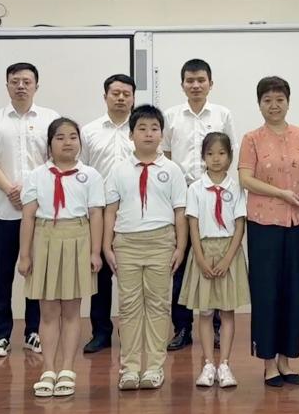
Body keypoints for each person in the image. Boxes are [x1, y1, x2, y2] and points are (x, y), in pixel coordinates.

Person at [0, 62, 58, 358]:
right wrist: (11, 189)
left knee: (37, 274)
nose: (21, 86)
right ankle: (0, 336)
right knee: (1, 276)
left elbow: (56, 159)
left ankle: (34, 332)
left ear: (36, 86)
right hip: (4, 211)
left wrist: (30, 190)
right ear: (7, 85)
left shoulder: (50, 119)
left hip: (40, 212)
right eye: (15, 81)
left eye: (26, 81)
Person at [102, 105, 188, 391]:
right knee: (128, 306)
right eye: (142, 128)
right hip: (126, 243)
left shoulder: (172, 170)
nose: (148, 134)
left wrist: (180, 246)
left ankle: (153, 367)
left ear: (162, 134)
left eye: (154, 128)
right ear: (131, 135)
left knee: (158, 305)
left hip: (161, 242)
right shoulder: (119, 169)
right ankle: (129, 368)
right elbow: (110, 210)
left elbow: (180, 212)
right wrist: (107, 246)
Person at [17, 118, 104, 398]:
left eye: (73, 137)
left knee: (71, 310)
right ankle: (48, 369)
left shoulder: (90, 175)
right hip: (45, 239)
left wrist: (95, 251)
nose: (67, 142)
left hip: (78, 238)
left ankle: (67, 368)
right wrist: (25, 255)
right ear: (50, 144)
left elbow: (96, 214)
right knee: (48, 311)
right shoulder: (36, 175)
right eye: (60, 137)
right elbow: (28, 216)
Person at [237, 76, 299, 387]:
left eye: (279, 99)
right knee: (266, 291)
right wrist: (281, 193)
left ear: (288, 102)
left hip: (297, 223)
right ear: (259, 104)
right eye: (267, 100)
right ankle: (268, 362)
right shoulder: (251, 139)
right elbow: (245, 179)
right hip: (263, 224)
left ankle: (286, 360)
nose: (274, 105)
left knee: (293, 291)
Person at [163, 59, 235, 352]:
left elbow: (229, 152)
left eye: (201, 80)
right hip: (181, 198)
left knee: (214, 259)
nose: (195, 85)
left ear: (210, 83)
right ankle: (182, 328)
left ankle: (216, 328)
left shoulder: (222, 114)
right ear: (182, 85)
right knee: (181, 264)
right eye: (190, 81)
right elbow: (166, 156)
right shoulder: (171, 116)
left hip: (214, 197)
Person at [181, 132, 250, 389]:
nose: (216, 158)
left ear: (230, 157)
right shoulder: (195, 188)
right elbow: (193, 225)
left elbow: (240, 225)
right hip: (204, 250)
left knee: (227, 310)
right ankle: (209, 363)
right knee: (206, 311)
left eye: (221, 153)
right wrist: (199, 258)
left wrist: (228, 259)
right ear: (203, 157)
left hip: (228, 251)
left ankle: (225, 364)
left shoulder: (236, 188)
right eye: (210, 154)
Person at [79, 74, 137, 354]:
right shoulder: (89, 131)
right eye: (115, 93)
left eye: (127, 94)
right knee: (100, 273)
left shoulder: (141, 129)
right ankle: (101, 331)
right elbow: (82, 172)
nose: (121, 98)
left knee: (132, 273)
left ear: (133, 98)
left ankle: (132, 331)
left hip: (133, 210)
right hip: (99, 212)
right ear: (105, 97)